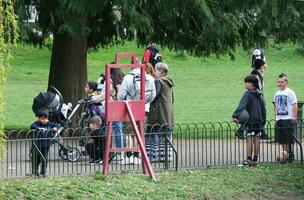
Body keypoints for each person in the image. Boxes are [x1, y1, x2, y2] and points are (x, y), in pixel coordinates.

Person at [117, 62, 156, 164]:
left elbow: (120, 95)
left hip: (129, 107)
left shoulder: (128, 77)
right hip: (144, 108)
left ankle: (129, 155)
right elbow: (153, 95)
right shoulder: (150, 78)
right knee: (138, 132)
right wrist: (144, 102)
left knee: (128, 132)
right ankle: (137, 155)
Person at [232, 75, 266, 167]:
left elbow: (241, 105)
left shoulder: (248, 93)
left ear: (250, 83)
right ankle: (255, 160)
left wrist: (235, 116)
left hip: (250, 120)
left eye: (246, 82)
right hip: (259, 119)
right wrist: (263, 120)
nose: (245, 84)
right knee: (257, 139)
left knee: (249, 139)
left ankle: (249, 159)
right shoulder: (259, 93)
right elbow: (263, 108)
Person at [146, 62, 174, 161]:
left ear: (161, 71)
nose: (154, 72)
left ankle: (151, 156)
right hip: (168, 113)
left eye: (156, 70)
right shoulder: (168, 82)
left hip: (158, 112)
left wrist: (145, 99)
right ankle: (166, 156)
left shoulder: (159, 81)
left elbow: (154, 96)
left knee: (153, 132)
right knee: (165, 134)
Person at [274, 73, 298, 161]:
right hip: (279, 118)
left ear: (286, 82)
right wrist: (276, 117)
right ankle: (285, 154)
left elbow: (294, 104)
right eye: (278, 82)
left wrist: (294, 116)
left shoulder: (290, 92)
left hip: (288, 118)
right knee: (282, 139)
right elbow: (276, 106)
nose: (280, 83)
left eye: (282, 82)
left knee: (289, 138)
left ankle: (291, 155)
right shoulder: (276, 93)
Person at [31, 110, 59, 176]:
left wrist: (55, 128)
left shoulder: (49, 124)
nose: (44, 120)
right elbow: (32, 126)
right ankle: (35, 172)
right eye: (42, 118)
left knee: (45, 159)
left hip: (46, 145)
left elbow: (56, 125)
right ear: (38, 118)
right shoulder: (36, 124)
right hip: (37, 145)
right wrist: (39, 128)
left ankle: (43, 172)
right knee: (36, 159)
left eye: (46, 118)